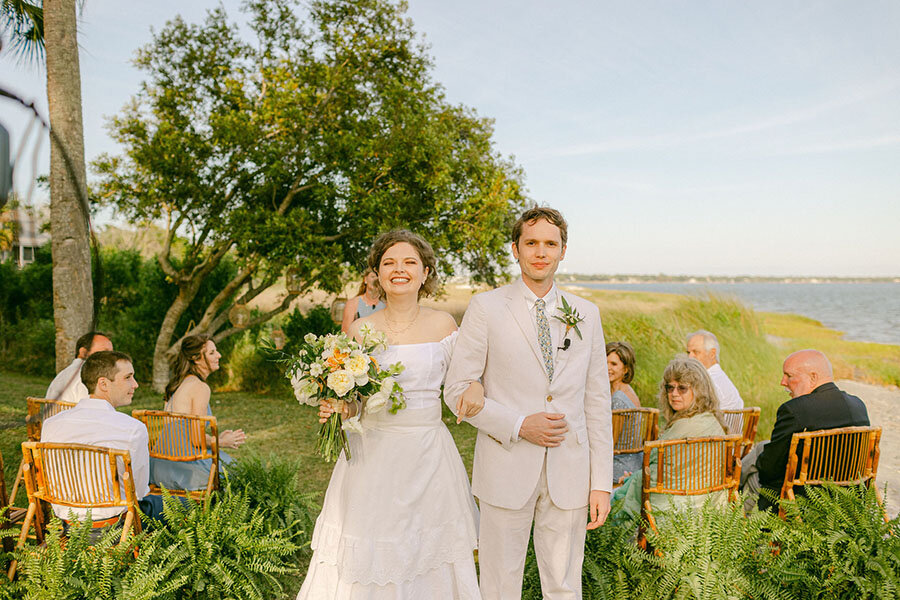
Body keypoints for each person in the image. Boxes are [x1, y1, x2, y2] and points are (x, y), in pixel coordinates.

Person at [298, 230, 484, 599]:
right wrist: (338, 406)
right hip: (372, 455)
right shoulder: (359, 330)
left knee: (427, 551)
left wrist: (475, 387)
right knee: (371, 545)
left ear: (426, 272)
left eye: (409, 262)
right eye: (389, 263)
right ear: (377, 274)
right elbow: (355, 400)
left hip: (428, 454)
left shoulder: (445, 324)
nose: (399, 269)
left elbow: (463, 382)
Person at [445, 206, 613, 600]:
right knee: (500, 586)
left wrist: (601, 483)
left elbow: (597, 403)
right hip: (506, 465)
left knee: (565, 586)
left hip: (570, 469)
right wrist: (520, 424)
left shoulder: (587, 314)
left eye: (550, 244)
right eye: (531, 242)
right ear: (516, 249)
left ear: (563, 251)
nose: (541, 251)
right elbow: (456, 389)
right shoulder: (486, 308)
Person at [40, 350, 164, 524]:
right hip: (117, 524)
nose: (135, 384)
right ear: (103, 384)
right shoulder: (133, 429)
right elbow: (139, 492)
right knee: (182, 505)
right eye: (128, 377)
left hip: (67, 521)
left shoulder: (51, 424)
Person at [742, 349, 869, 512]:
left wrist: (758, 462)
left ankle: (734, 523)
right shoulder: (858, 405)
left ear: (813, 377)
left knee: (753, 473)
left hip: (802, 504)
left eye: (789, 376)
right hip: (848, 504)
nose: (782, 382)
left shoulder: (794, 410)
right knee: (761, 449)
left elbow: (769, 469)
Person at [613, 356, 728, 519]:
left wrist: (631, 480)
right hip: (709, 508)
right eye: (670, 387)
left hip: (676, 509)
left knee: (610, 502)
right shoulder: (710, 420)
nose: (674, 394)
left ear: (699, 390)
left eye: (682, 388)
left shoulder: (685, 427)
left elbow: (654, 477)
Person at [149, 334, 246, 491]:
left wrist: (215, 438)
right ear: (196, 358)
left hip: (161, 466)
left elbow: (181, 434)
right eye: (212, 352)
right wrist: (222, 442)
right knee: (244, 475)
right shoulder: (200, 387)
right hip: (184, 468)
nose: (219, 355)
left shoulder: (177, 385)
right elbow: (195, 440)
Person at [607, 341, 643, 486]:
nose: (608, 368)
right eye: (606, 363)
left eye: (614, 364)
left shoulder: (618, 399)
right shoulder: (627, 391)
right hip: (633, 461)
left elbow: (610, 443)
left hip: (621, 466)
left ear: (626, 370)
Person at [45, 331, 113, 403]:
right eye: (104, 352)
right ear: (83, 352)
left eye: (111, 353)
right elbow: (90, 409)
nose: (111, 357)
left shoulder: (65, 374)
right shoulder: (86, 375)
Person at [686, 330, 744, 411]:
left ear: (712, 354)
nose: (690, 357)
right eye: (688, 352)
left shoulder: (708, 383)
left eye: (696, 352)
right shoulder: (720, 378)